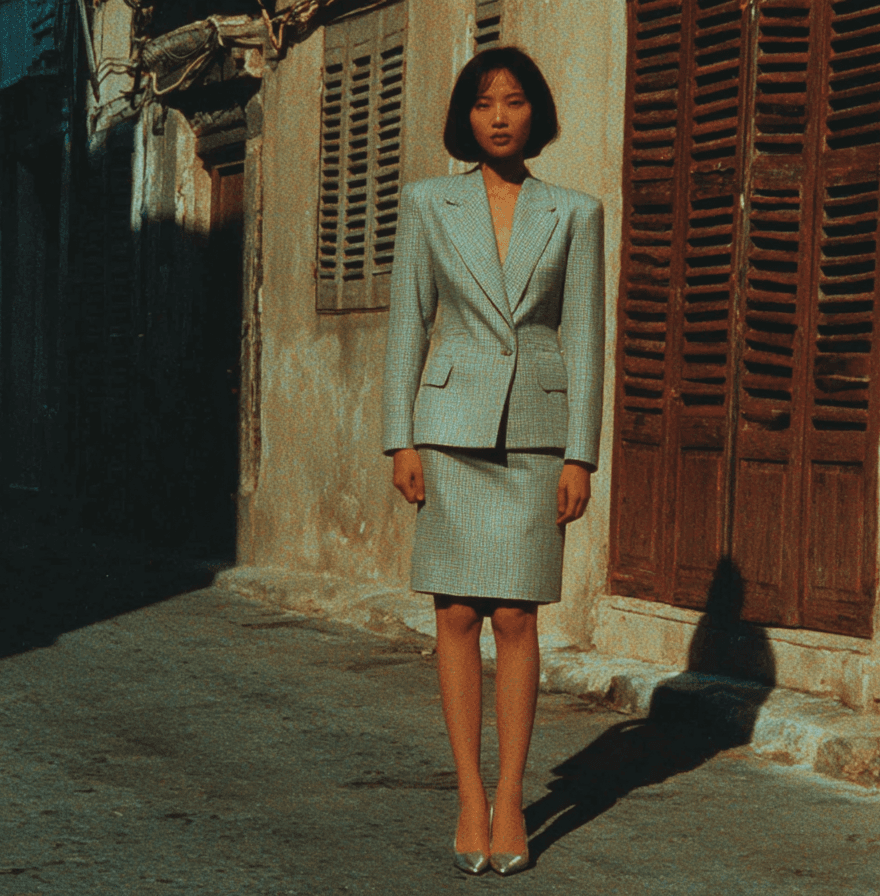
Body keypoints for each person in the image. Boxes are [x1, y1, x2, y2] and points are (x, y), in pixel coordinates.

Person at [380, 46, 605, 876]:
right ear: (465, 117)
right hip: (449, 431)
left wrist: (581, 454)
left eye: (513, 101)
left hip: (537, 436)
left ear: (535, 113)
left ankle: (511, 796)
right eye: (483, 103)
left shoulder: (575, 213)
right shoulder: (427, 203)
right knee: (455, 615)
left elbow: (585, 336)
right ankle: (469, 796)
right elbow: (408, 320)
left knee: (515, 616)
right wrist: (400, 437)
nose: (499, 116)